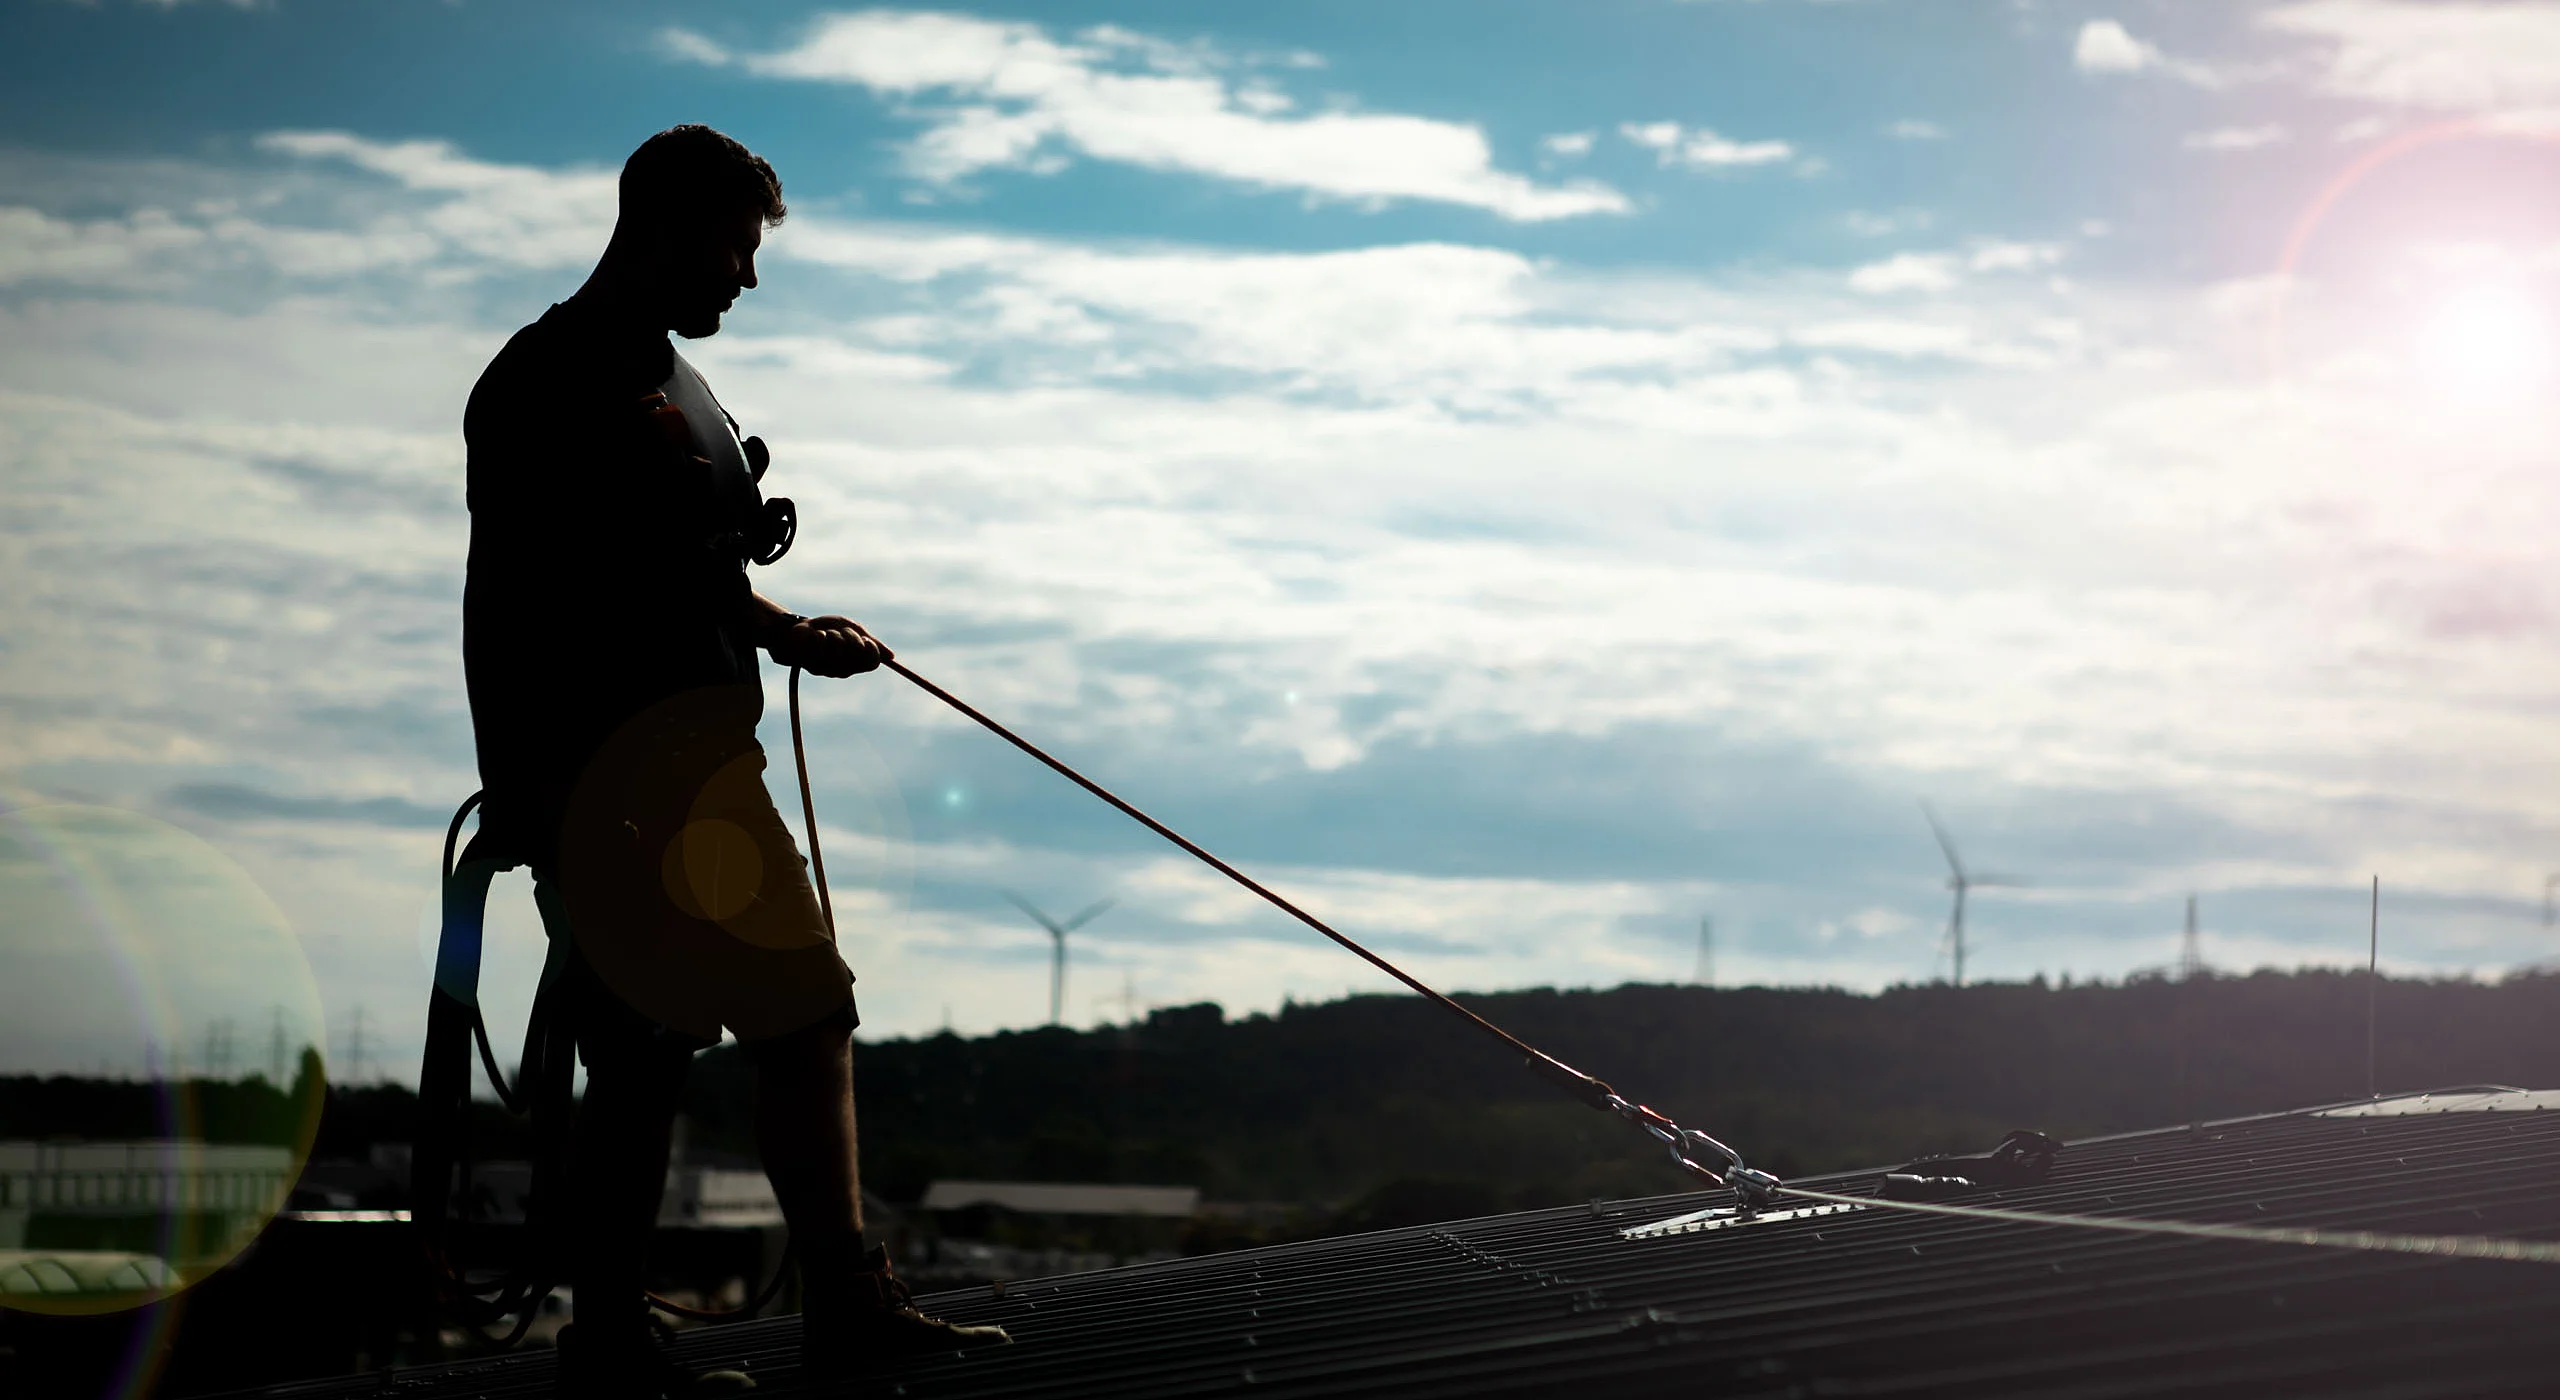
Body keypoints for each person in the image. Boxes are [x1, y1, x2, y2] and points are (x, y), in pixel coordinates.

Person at [462, 124, 1007, 1398]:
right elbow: (506, 603)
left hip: (708, 762)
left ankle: (836, 1301)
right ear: (661, 224)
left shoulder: (675, 380)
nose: (745, 280)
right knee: (648, 1049)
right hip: (607, 778)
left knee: (802, 1013)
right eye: (734, 247)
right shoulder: (541, 381)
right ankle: (615, 1342)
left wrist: (782, 630)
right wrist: (534, 801)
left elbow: (684, 575)